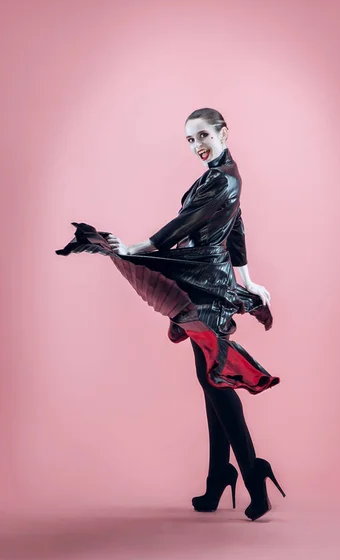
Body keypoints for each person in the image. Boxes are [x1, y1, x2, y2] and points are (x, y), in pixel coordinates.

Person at [55, 107, 285, 521]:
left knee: (215, 379)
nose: (196, 146)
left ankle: (251, 473)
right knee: (210, 379)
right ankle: (220, 478)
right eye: (189, 140)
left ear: (223, 132)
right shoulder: (221, 175)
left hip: (208, 284)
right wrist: (248, 280)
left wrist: (134, 249)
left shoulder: (223, 179)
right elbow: (237, 228)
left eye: (202, 137)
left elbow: (183, 226)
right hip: (202, 278)